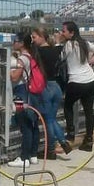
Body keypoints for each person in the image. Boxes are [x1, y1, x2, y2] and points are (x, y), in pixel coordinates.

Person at [59, 21, 94, 152]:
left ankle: (70, 133)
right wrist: (90, 62)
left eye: (64, 31)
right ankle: (89, 139)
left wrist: (58, 42)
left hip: (76, 81)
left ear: (71, 33)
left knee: (68, 105)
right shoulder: (84, 43)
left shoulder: (68, 45)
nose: (62, 33)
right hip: (90, 79)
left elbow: (61, 58)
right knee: (89, 110)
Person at [30, 27, 73, 159]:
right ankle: (63, 142)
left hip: (45, 87)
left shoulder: (38, 52)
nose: (32, 40)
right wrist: (58, 40)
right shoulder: (56, 50)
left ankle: (51, 150)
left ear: (42, 37)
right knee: (52, 119)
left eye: (34, 37)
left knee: (48, 121)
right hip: (56, 86)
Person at [7, 31, 41, 167]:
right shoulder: (32, 55)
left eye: (15, 41)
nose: (13, 43)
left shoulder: (22, 59)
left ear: (21, 43)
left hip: (21, 92)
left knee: (25, 125)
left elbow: (15, 77)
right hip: (31, 91)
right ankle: (33, 154)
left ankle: (24, 158)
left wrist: (6, 68)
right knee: (33, 124)